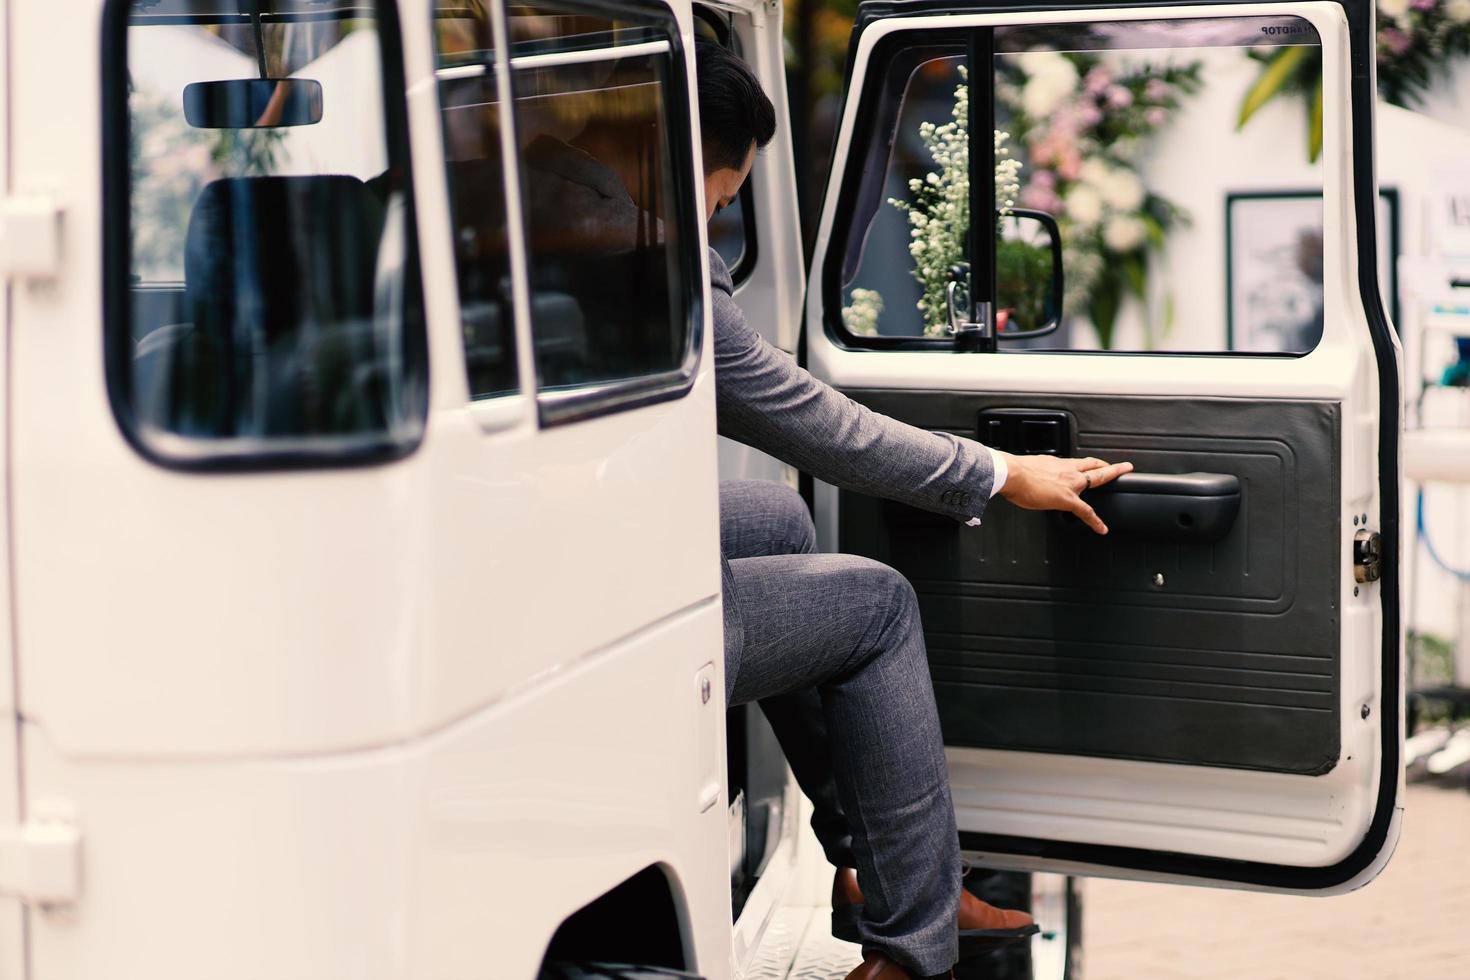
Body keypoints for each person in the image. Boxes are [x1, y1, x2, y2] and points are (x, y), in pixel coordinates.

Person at [695, 42, 1133, 980]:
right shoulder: (658, 263)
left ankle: (869, 868)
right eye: (724, 198)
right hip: (595, 602)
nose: (719, 217)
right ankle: (911, 949)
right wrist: (1000, 473)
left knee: (779, 528)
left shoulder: (512, 204)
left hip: (529, 559)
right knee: (876, 606)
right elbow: (812, 421)